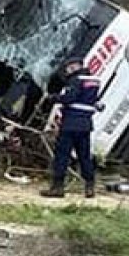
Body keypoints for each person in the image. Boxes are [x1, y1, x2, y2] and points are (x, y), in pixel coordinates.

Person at [40, 57, 102, 199]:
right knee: (84, 156)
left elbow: (69, 98)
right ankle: (89, 186)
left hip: (70, 124)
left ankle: (57, 188)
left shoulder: (76, 80)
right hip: (85, 124)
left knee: (62, 155)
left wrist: (53, 98)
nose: (66, 71)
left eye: (68, 68)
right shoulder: (94, 81)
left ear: (74, 67)